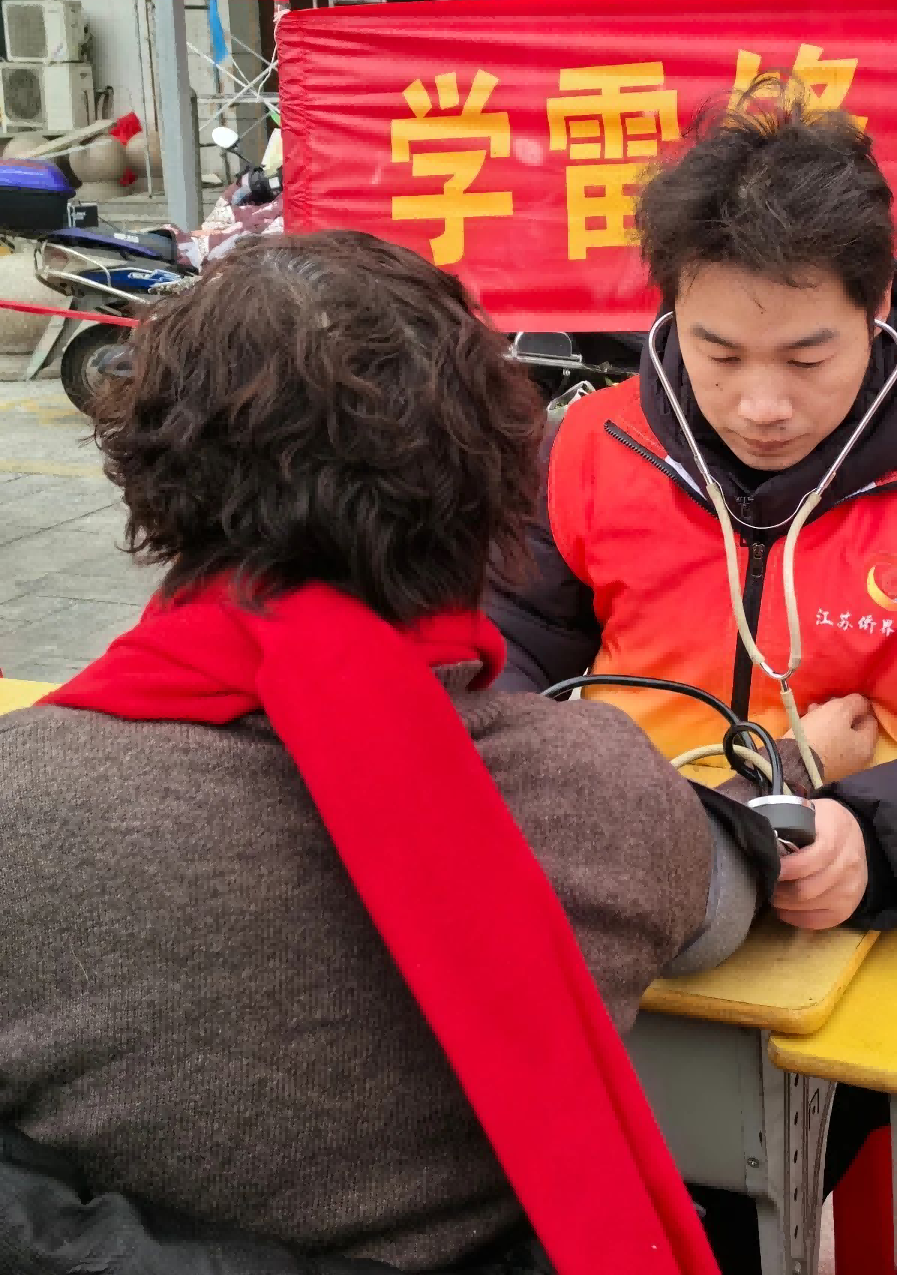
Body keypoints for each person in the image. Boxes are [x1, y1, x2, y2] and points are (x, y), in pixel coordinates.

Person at [0, 230, 781, 1275]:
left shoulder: (22, 792)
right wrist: (781, 782)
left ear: (151, 477)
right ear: (496, 489)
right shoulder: (604, 790)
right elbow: (725, 903)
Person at [486, 81, 897, 1269]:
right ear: (670, 309)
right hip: (604, 921)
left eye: (805, 354)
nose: (759, 404)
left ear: (875, 309)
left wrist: (876, 839)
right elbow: (494, 655)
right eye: (716, 352)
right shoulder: (588, 448)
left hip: (854, 943)